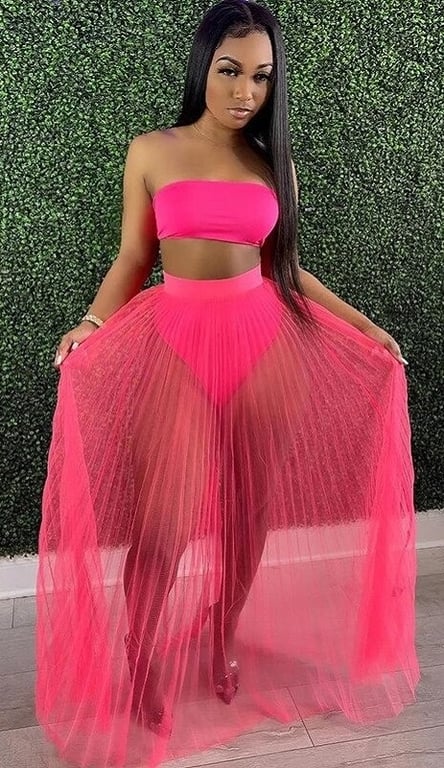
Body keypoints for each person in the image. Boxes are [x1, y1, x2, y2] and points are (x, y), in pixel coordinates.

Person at [35, 2, 420, 767]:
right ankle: (141, 653)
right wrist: (92, 322)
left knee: (250, 517)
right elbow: (132, 258)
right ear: (203, 66)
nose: (246, 91)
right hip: (176, 338)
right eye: (231, 71)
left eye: (262, 77)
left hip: (265, 340)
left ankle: (223, 636)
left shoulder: (274, 164)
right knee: (164, 522)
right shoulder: (152, 150)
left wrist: (368, 328)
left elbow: (288, 271)